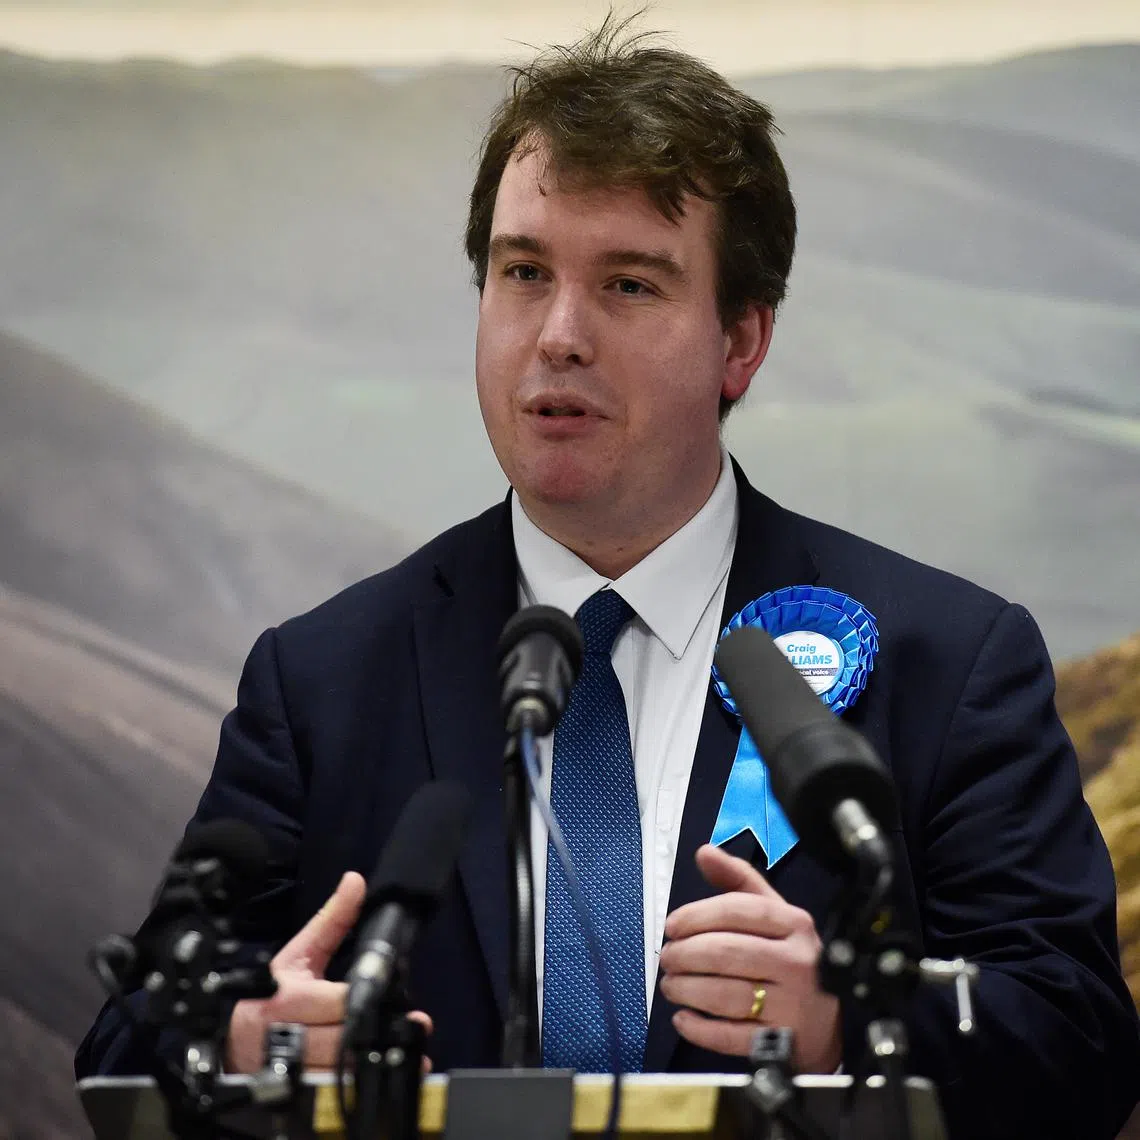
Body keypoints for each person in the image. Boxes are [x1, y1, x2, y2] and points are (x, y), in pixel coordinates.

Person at [76, 18, 1140, 1138]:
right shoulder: (324, 679)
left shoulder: (946, 662)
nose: (559, 335)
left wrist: (850, 1022)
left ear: (741, 342)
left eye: (629, 285)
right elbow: (130, 1043)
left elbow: (1082, 1041)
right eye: (523, 272)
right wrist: (243, 1039)